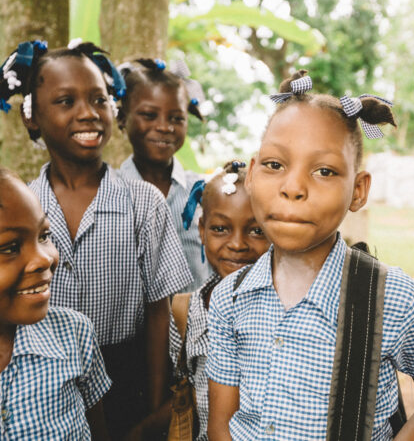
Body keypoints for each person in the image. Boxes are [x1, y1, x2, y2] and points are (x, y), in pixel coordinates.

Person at [206, 71, 414, 440]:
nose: (293, 188)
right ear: (252, 174)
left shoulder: (397, 300)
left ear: (358, 190)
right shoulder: (229, 298)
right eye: (275, 165)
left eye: (324, 171)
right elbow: (222, 423)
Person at [0, 40, 193, 439]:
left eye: (99, 100)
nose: (87, 113)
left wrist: (154, 406)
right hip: (46, 372)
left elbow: (160, 311)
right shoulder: (24, 210)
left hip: (130, 371)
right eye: (66, 101)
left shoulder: (143, 203)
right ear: (31, 118)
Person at [132, 161, 270, 440]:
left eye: (256, 231)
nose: (237, 243)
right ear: (201, 231)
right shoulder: (187, 311)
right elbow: (188, 392)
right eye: (221, 229)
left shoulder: (285, 309)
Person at [0, 167, 112, 440]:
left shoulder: (73, 332)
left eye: (44, 235)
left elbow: (97, 429)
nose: (45, 258)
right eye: (9, 247)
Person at [118, 58, 212, 292]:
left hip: (197, 324)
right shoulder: (109, 192)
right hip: (131, 327)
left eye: (176, 118)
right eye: (149, 115)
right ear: (122, 118)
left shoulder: (202, 191)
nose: (164, 127)